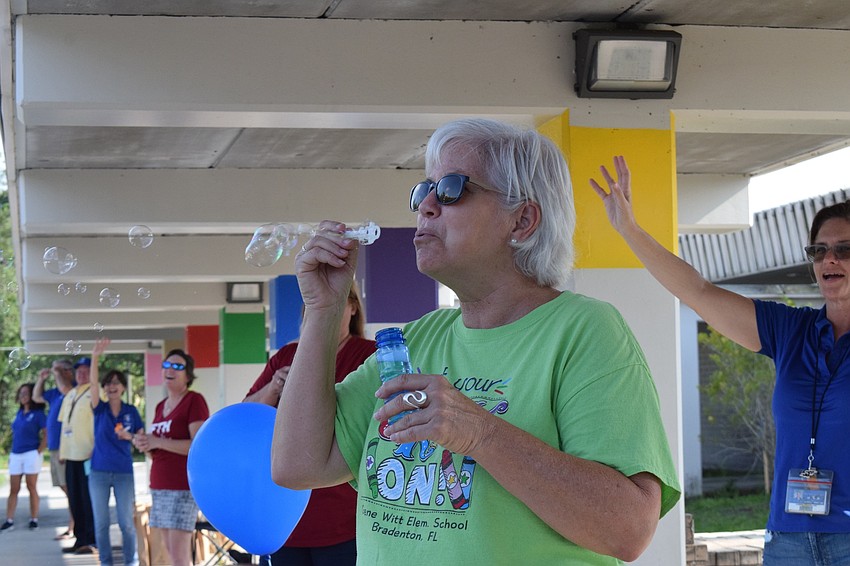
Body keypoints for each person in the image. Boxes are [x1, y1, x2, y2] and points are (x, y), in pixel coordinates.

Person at [270, 118, 681, 564]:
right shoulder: (415, 339)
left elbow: (628, 529)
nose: (425, 205)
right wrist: (324, 312)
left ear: (522, 220)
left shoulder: (585, 331)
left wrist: (479, 432)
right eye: (422, 190)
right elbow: (298, 465)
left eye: (450, 188)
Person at [590, 156, 850, 565]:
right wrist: (630, 230)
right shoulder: (790, 330)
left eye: (843, 249)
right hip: (790, 540)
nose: (829, 259)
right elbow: (698, 291)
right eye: (819, 250)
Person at [244, 284, 374, 565]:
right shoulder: (287, 355)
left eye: (338, 300)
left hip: (345, 513)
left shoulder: (370, 355)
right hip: (286, 512)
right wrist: (273, 388)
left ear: (353, 308)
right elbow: (245, 418)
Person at [133, 349, 209, 566]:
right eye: (167, 365)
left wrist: (158, 441)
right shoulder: (160, 406)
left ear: (188, 375)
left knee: (179, 555)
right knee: (168, 550)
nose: (170, 370)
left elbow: (198, 446)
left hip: (182, 487)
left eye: (178, 366)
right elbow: (158, 449)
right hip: (159, 485)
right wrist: (146, 444)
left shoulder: (194, 401)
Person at [88, 337, 145, 566]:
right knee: (101, 523)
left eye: (117, 382)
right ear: (104, 388)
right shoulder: (99, 409)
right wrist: (95, 357)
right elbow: (92, 385)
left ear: (123, 387)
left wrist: (129, 436)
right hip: (99, 473)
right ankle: (106, 562)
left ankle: (129, 562)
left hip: (123, 472)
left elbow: (142, 440)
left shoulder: (131, 411)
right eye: (108, 383)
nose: (112, 386)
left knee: (126, 523)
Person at [33, 358, 77, 540]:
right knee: (63, 486)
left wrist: (57, 372)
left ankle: (74, 526)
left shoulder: (72, 388)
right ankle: (74, 524)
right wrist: (41, 379)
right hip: (55, 447)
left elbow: (65, 389)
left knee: (70, 488)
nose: (55, 372)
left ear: (68, 371)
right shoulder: (54, 393)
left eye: (59, 369)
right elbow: (36, 397)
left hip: (65, 446)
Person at [58, 356, 97, 555]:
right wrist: (62, 451)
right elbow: (65, 424)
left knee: (87, 498)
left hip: (87, 455)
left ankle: (90, 539)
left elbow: (101, 422)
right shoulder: (71, 394)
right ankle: (80, 537)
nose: (82, 373)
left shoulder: (96, 393)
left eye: (86, 370)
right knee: (74, 499)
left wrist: (97, 448)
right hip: (71, 456)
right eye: (79, 370)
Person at [1, 383, 47, 532]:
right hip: (16, 454)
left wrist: (38, 452)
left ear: (33, 395)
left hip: (31, 454)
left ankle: (34, 519)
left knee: (31, 486)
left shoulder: (39, 414)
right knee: (14, 488)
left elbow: (47, 434)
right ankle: (9, 520)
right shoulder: (19, 413)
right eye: (21, 393)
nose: (23, 396)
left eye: (26, 393)